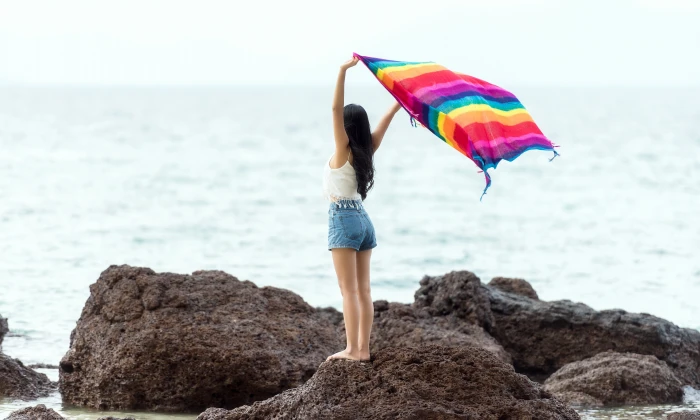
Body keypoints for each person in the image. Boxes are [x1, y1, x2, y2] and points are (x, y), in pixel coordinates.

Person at [323, 56, 403, 361]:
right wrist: (398, 103)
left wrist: (342, 71)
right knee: (364, 290)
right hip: (364, 221)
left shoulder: (343, 151)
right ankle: (364, 350)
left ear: (344, 128)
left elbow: (333, 109)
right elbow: (385, 122)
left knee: (349, 292)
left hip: (343, 218)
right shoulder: (367, 150)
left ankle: (352, 350)